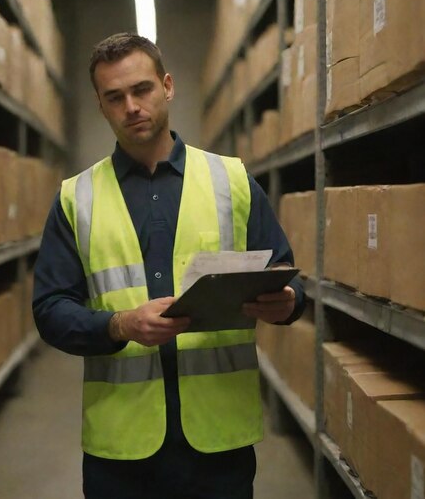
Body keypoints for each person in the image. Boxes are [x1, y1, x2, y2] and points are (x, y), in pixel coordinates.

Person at [33, 32, 306, 499]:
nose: (132, 106)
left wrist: (287, 305)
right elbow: (51, 309)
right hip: (121, 446)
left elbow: (287, 280)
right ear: (101, 106)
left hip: (219, 440)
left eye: (142, 90)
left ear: (168, 86)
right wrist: (120, 325)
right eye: (114, 97)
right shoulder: (75, 198)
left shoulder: (233, 181)